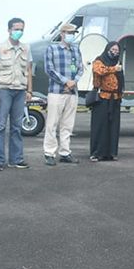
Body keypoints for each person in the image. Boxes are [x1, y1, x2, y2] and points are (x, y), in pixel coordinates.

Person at [0, 17, 33, 171]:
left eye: (21, 29)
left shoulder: (26, 48)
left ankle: (16, 159)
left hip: (20, 90)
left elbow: (28, 70)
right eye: (16, 29)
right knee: (0, 126)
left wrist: (29, 90)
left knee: (16, 127)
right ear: (9, 30)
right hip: (4, 89)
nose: (19, 32)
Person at [43, 23, 84, 166]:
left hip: (72, 92)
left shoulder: (76, 49)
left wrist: (74, 82)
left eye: (74, 32)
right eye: (69, 32)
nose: (72, 35)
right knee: (52, 123)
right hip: (56, 91)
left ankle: (65, 152)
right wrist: (66, 82)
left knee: (68, 124)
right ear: (62, 33)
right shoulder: (52, 48)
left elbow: (81, 68)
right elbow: (49, 69)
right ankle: (49, 153)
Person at [90, 41, 124, 162]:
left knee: (113, 127)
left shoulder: (118, 62)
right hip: (102, 98)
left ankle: (111, 153)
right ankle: (96, 153)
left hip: (115, 99)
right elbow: (98, 70)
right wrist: (114, 69)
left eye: (117, 51)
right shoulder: (99, 60)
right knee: (100, 126)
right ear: (107, 49)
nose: (115, 52)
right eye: (113, 50)